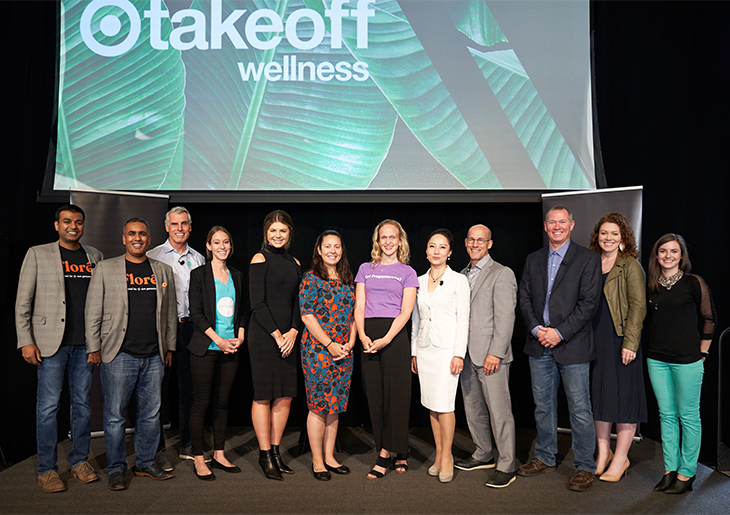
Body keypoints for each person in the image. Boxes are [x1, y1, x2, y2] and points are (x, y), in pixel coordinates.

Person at [15, 204, 103, 492]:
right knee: (48, 408)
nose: (73, 226)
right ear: (57, 225)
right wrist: (26, 340)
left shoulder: (94, 256)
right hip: (50, 344)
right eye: (67, 221)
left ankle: (79, 462)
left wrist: (97, 342)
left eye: (78, 222)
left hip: (84, 345)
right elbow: (23, 302)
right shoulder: (38, 254)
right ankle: (47, 470)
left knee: (82, 407)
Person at [85, 218, 177, 491]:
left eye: (143, 234)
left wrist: (169, 346)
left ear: (149, 239)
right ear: (124, 238)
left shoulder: (162, 270)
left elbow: (170, 312)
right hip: (118, 354)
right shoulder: (105, 268)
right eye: (132, 234)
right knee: (115, 416)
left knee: (150, 414)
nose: (137, 238)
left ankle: (146, 463)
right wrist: (93, 347)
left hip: (154, 356)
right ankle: (116, 469)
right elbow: (93, 311)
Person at [517, 205, 602, 491]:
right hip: (538, 343)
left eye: (562, 222)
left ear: (572, 225)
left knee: (579, 408)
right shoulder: (533, 259)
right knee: (543, 407)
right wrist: (537, 329)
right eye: (552, 222)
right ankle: (544, 456)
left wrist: (560, 333)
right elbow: (524, 298)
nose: (557, 226)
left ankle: (585, 466)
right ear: (545, 226)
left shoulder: (589, 259)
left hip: (573, 345)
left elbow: (589, 303)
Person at [645, 234, 716, 494]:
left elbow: (709, 319)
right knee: (666, 415)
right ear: (656, 255)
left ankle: (687, 474)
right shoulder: (651, 284)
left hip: (688, 361)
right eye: (663, 251)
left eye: (674, 251)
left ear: (681, 256)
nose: (668, 255)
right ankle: (669, 470)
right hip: (657, 360)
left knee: (688, 417)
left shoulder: (693, 282)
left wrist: (703, 354)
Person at [454, 224, 519, 489]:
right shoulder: (459, 275)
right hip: (466, 355)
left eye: (481, 240)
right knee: (473, 410)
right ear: (466, 242)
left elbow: (506, 317)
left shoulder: (502, 274)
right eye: (471, 239)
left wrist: (496, 352)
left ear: (489, 244)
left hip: (491, 355)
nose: (475, 244)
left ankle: (507, 465)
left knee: (499, 412)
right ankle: (483, 453)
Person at [354, 219, 418, 479]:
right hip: (369, 336)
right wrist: (362, 335)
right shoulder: (365, 269)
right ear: (377, 241)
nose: (388, 242)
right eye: (384, 238)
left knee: (398, 397)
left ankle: (391, 452)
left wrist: (387, 338)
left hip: (394, 337)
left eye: (393, 237)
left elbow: (406, 311)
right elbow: (359, 306)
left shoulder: (408, 272)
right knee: (376, 397)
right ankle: (388, 448)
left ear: (400, 240)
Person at [588, 213, 647, 482]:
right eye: (604, 233)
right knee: (600, 396)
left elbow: (638, 307)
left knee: (624, 399)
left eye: (614, 234)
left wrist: (630, 343)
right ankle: (604, 452)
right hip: (596, 341)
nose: (608, 238)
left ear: (622, 238)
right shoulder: (591, 263)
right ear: (597, 237)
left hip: (622, 340)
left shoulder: (630, 265)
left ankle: (621, 458)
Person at [411, 229, 470, 483]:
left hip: (447, 351)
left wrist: (459, 354)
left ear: (450, 252)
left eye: (442, 247)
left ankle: (447, 457)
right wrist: (414, 351)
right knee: (432, 406)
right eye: (432, 246)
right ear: (426, 251)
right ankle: (438, 454)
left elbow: (463, 320)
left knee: (445, 406)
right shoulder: (419, 280)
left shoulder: (459, 280)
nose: (436, 251)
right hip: (425, 350)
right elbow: (416, 319)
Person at [147, 206, 205, 465]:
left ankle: (188, 443)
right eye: (174, 224)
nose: (179, 228)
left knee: (189, 389)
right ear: (166, 227)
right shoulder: (152, 256)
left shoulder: (200, 258)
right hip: (162, 330)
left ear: (190, 228)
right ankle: (155, 446)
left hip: (191, 329)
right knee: (156, 389)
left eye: (184, 224)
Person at [188, 227, 246, 480]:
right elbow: (196, 314)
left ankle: (220, 453)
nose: (222, 246)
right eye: (216, 242)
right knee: (201, 404)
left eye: (226, 242)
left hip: (231, 349)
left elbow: (244, 309)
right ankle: (199, 458)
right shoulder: (199, 274)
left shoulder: (237, 274)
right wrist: (219, 341)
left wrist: (240, 335)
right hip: (206, 348)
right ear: (208, 246)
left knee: (223, 404)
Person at [299, 230, 356, 481]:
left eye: (337, 246)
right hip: (318, 351)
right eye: (328, 246)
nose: (333, 250)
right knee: (318, 406)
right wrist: (330, 344)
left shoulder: (346, 279)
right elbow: (307, 316)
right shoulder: (311, 279)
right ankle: (317, 460)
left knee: (335, 406)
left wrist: (350, 343)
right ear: (319, 250)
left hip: (344, 351)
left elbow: (354, 315)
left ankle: (330, 456)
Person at [249, 210, 302, 480]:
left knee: (285, 395)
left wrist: (293, 331)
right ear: (266, 233)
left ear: (289, 233)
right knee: (263, 395)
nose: (278, 235)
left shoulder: (294, 261)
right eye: (273, 231)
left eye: (282, 231)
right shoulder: (260, 258)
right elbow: (257, 303)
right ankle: (264, 454)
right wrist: (278, 335)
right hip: (264, 337)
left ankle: (276, 451)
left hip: (290, 337)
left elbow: (297, 302)